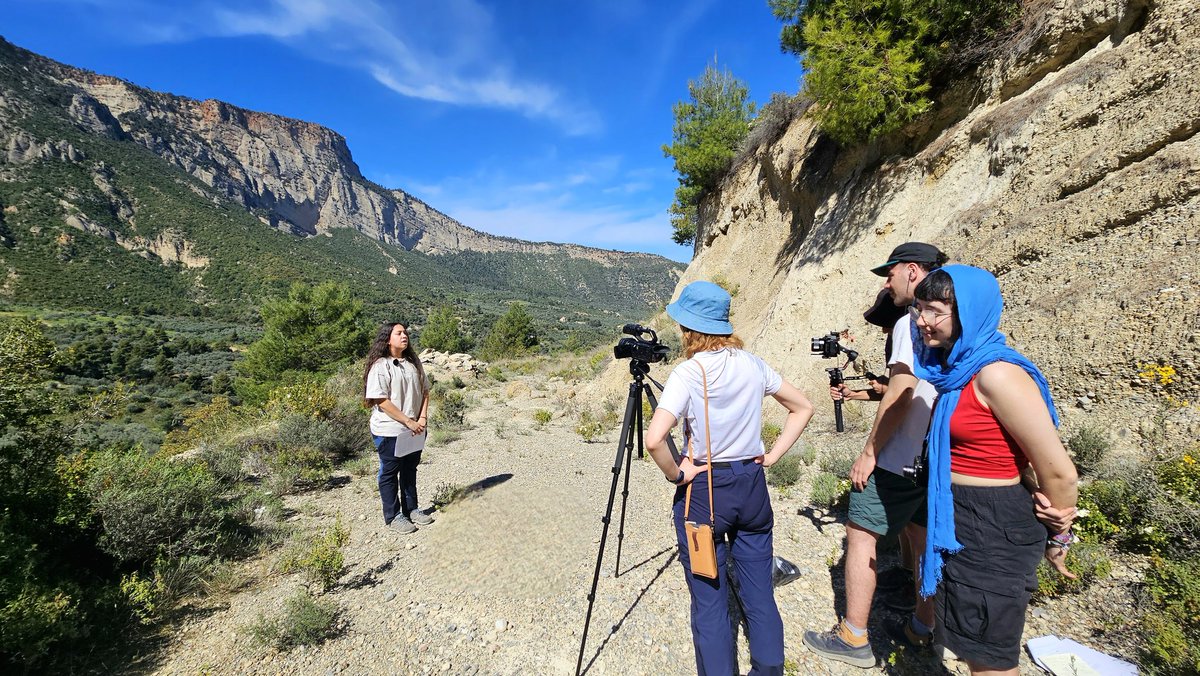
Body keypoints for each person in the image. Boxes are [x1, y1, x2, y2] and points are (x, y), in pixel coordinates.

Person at [911, 266, 1077, 675]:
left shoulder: (997, 374)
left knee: (990, 661)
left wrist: (1061, 535)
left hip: (992, 523)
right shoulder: (953, 372)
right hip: (961, 515)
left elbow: (1059, 472)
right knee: (972, 646)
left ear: (968, 312)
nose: (921, 321)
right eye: (919, 309)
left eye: (934, 311)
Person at [645, 280, 814, 676]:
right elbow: (803, 407)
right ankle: (769, 669)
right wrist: (771, 456)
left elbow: (655, 440)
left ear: (689, 329)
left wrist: (678, 473)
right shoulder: (753, 363)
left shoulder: (688, 373)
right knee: (759, 594)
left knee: (709, 601)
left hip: (705, 492)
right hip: (752, 486)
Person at [804, 242, 947, 668]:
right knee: (923, 540)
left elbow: (902, 392)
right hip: (935, 455)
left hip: (899, 455)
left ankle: (853, 636)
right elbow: (914, 388)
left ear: (913, 271)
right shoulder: (952, 317)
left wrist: (869, 451)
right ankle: (923, 629)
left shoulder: (911, 320)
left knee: (861, 532)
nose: (887, 283)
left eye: (890, 273)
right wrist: (860, 391)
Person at [363, 323, 433, 534]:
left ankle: (412, 509)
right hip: (389, 430)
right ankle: (393, 516)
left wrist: (421, 418)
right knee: (390, 471)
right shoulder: (380, 366)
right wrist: (409, 421)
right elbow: (381, 400)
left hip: (415, 428)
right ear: (387, 339)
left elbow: (426, 391)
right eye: (399, 333)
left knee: (410, 469)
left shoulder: (413, 363)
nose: (404, 336)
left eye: (406, 333)